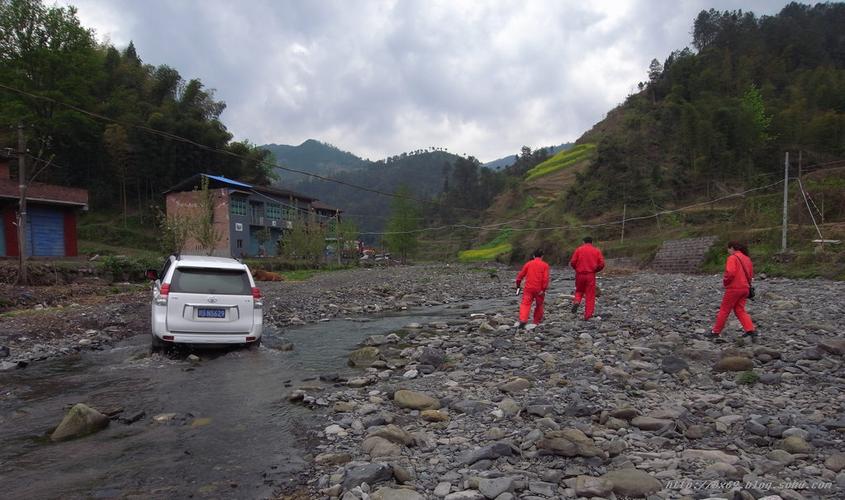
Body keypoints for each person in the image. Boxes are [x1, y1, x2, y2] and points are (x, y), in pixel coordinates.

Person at [711, 241, 757, 342]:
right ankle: (750, 330)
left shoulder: (732, 258)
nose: (728, 251)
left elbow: (730, 273)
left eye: (728, 249)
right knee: (740, 310)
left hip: (734, 288)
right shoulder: (747, 258)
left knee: (724, 310)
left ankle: (715, 332)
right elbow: (750, 274)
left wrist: (725, 282)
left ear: (732, 248)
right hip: (745, 288)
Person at [569, 236, 605, 320]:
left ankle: (577, 301)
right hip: (590, 275)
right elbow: (602, 263)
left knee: (579, 290)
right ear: (592, 242)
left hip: (580, 274)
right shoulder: (596, 250)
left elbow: (573, 262)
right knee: (590, 295)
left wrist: (577, 268)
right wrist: (596, 270)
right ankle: (588, 315)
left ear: (583, 242)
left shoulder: (578, 250)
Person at [515, 249, 550, 329]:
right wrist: (543, 289)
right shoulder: (545, 265)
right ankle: (536, 321)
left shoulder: (528, 264)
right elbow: (545, 279)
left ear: (534, 256)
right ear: (542, 256)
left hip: (528, 288)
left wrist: (518, 285)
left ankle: (523, 319)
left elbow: (520, 276)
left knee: (525, 304)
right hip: (539, 289)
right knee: (539, 305)